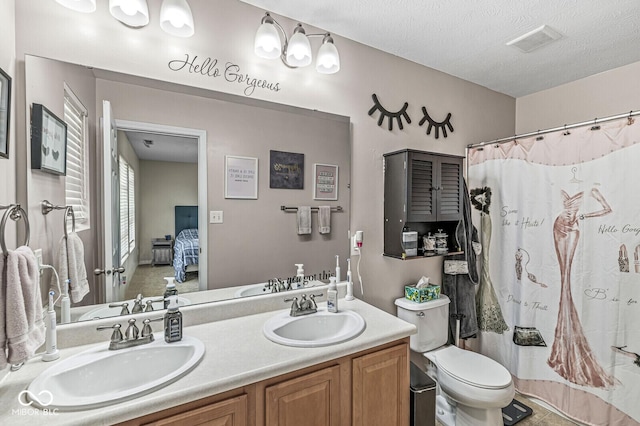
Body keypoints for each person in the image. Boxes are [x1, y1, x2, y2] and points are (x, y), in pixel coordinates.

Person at [547, 188, 615, 388]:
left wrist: (585, 215)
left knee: (566, 279)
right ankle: (561, 346)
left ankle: (566, 345)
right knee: (563, 279)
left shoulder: (592, 187)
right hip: (559, 225)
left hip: (573, 229)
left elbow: (607, 209)